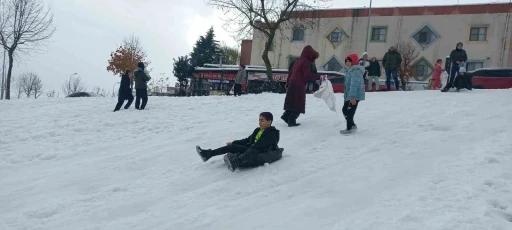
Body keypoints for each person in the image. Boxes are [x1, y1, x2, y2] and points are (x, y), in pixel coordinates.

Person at [195, 112, 283, 172]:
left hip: (261, 152)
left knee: (253, 149)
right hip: (251, 149)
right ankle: (207, 154)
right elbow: (247, 140)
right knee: (232, 147)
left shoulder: (272, 133)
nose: (259, 122)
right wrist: (234, 143)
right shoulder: (257, 130)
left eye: (262, 120)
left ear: (269, 122)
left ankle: (237, 162)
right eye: (259, 120)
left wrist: (247, 148)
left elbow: (260, 145)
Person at [281, 45, 320, 127]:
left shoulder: (298, 60)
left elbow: (291, 72)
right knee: (298, 103)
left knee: (292, 102)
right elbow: (307, 75)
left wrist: (288, 82)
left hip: (292, 83)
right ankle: (291, 121)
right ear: (309, 54)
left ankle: (285, 116)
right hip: (299, 84)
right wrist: (317, 76)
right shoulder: (305, 61)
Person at [340, 53, 365, 134]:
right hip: (350, 95)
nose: (347, 63)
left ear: (353, 61)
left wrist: (353, 97)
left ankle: (349, 128)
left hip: (355, 95)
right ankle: (353, 125)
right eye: (346, 61)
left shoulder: (356, 71)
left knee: (349, 112)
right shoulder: (350, 70)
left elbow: (354, 85)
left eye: (348, 61)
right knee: (345, 110)